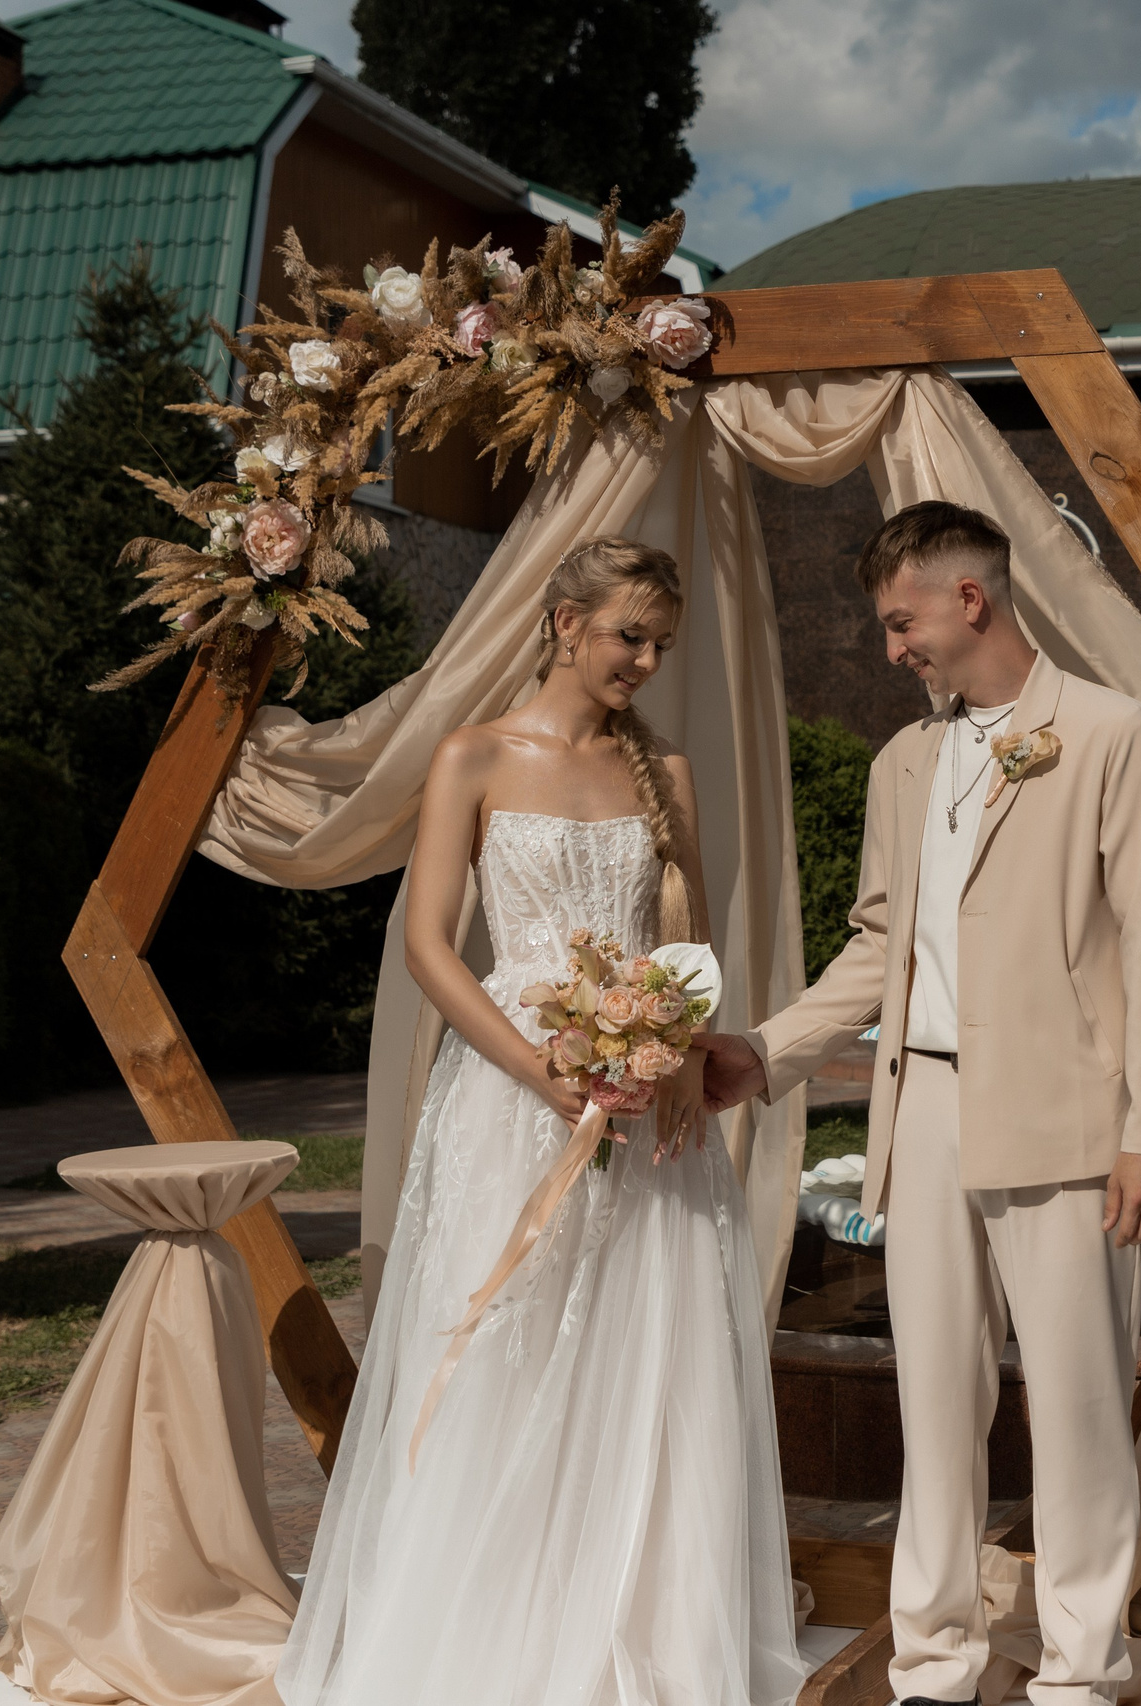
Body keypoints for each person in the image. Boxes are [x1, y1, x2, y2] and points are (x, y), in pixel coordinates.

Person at [277, 538, 806, 1706]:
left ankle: (627, 1617)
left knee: (643, 1347)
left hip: (646, 1096)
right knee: (502, 1339)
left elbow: (689, 946)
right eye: (629, 634)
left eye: (659, 640)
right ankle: (478, 1626)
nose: (646, 658)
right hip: (511, 1088)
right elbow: (427, 945)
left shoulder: (663, 767)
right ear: (565, 622)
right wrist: (540, 1069)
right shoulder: (470, 755)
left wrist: (661, 1050)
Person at [704, 500, 1141, 1706]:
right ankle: (932, 1661)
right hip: (918, 1113)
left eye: (899, 620)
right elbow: (877, 948)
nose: (892, 649)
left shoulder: (1109, 731)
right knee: (934, 1401)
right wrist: (761, 1051)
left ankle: (1081, 1670)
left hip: (1072, 1123)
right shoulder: (902, 761)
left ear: (967, 599)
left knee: (1079, 1410)